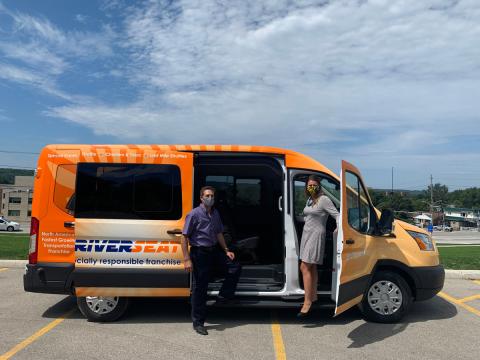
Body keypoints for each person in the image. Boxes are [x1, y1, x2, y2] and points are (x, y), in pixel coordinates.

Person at [181, 186, 242, 335]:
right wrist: (187, 259)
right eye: (207, 195)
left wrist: (227, 250)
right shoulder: (194, 214)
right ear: (201, 198)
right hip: (199, 253)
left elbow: (219, 233)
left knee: (234, 266)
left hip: (214, 250)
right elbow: (184, 237)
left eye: (212, 196)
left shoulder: (215, 213)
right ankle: (198, 323)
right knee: (200, 288)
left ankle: (223, 296)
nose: (210, 198)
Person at [298, 175, 339, 317]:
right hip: (306, 234)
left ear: (319, 186)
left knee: (304, 266)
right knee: (312, 266)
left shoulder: (324, 200)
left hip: (316, 235)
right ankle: (313, 296)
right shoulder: (310, 200)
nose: (312, 187)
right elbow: (309, 216)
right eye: (309, 185)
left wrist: (338, 228)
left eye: (314, 185)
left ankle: (307, 301)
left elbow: (337, 215)